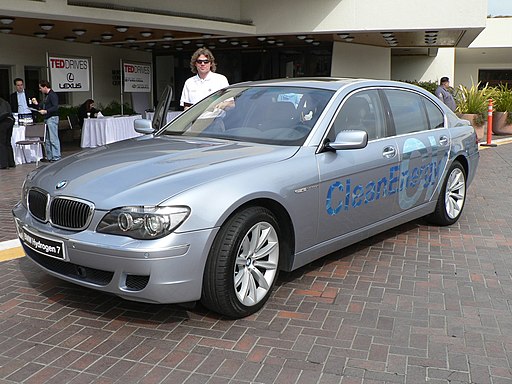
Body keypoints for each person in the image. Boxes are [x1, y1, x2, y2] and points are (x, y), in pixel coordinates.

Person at [32, 80, 61, 162]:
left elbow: (55, 107)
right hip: (47, 118)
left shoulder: (52, 95)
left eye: (40, 88)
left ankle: (56, 156)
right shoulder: (47, 96)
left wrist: (46, 111)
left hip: (52, 118)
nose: (40, 90)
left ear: (45, 87)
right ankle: (50, 156)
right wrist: (37, 104)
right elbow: (42, 105)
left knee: (53, 139)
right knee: (47, 139)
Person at [0, 97, 16, 169]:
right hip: (10, 120)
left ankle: (4, 164)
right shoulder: (4, 101)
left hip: (3, 122)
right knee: (7, 142)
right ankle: (11, 162)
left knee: (1, 143)